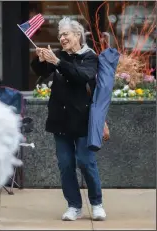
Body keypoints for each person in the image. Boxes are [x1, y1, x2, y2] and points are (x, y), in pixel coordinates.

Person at [31, 17, 107, 221]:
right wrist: (40, 59)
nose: (62, 38)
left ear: (77, 35)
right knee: (65, 165)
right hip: (60, 119)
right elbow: (41, 72)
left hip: (83, 120)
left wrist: (57, 62)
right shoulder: (59, 56)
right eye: (60, 35)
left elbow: (81, 76)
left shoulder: (89, 57)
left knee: (85, 162)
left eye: (66, 34)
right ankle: (74, 206)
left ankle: (96, 203)